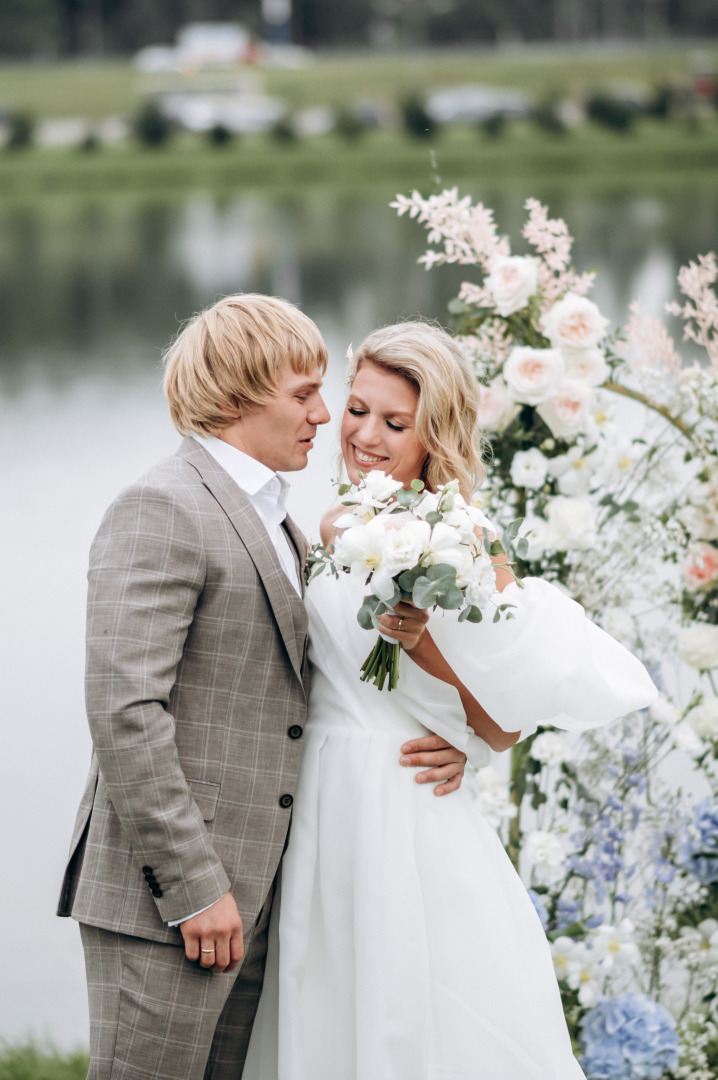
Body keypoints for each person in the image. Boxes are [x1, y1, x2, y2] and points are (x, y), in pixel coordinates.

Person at [57, 296, 466, 1080]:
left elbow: (307, 683)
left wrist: (455, 736)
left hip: (256, 898)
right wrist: (193, 889)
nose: (327, 415)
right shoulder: (163, 506)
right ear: (239, 393)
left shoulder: (280, 518)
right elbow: (124, 710)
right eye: (305, 393)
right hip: (170, 903)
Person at [242, 321, 659, 1080]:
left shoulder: (468, 540)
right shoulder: (329, 524)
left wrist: (423, 647)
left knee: (418, 1006)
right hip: (320, 796)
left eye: (394, 423)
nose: (365, 435)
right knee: (326, 991)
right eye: (358, 409)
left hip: (402, 800)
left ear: (434, 432)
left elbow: (502, 726)